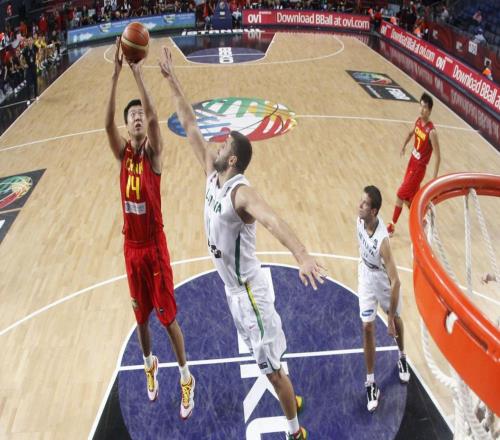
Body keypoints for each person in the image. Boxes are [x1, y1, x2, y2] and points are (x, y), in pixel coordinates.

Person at [159, 46, 325, 440]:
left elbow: (273, 219)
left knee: (271, 370)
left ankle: (295, 432)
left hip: (250, 293)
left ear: (232, 160)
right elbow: (189, 123)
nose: (216, 146)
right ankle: (288, 394)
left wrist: (302, 255)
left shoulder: (241, 193)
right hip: (234, 292)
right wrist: (172, 79)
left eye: (223, 147)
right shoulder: (211, 174)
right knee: (265, 363)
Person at [105, 38, 195, 419]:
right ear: (127, 126)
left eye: (141, 113)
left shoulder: (153, 155)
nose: (138, 117)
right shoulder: (122, 153)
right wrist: (115, 76)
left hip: (154, 248)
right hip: (132, 249)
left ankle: (186, 376)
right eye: (133, 115)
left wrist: (139, 75)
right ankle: (148, 364)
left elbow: (157, 120)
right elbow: (106, 124)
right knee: (140, 319)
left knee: (167, 318)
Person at [357, 186, 410, 412]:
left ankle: (402, 356)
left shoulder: (383, 242)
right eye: (361, 201)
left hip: (383, 280)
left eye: (364, 204)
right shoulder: (359, 221)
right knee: (367, 326)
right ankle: (370, 383)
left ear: (374, 211)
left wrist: (388, 319)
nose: (359, 206)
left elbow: (396, 281)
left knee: (396, 320)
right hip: (365, 276)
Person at [387, 93, 441, 236]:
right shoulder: (418, 121)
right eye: (420, 106)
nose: (422, 109)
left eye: (425, 107)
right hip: (411, 163)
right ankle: (422, 220)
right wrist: (404, 146)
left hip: (418, 169)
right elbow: (411, 133)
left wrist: (434, 179)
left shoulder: (432, 132)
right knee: (409, 199)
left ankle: (391, 226)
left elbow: (438, 157)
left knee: (400, 194)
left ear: (430, 110)